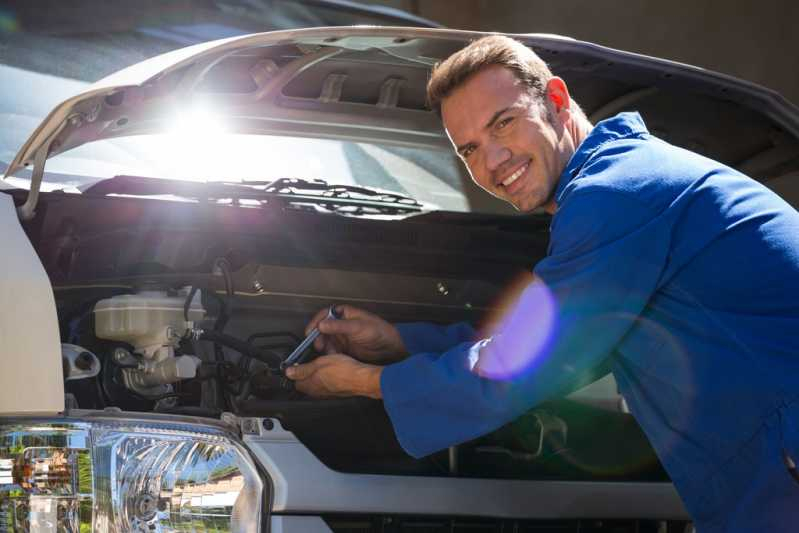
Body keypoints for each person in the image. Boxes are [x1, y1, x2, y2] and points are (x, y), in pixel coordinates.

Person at [285, 35, 799, 531]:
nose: (492, 161)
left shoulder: (618, 194)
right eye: (469, 150)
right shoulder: (629, 180)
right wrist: (398, 343)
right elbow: (546, 344)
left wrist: (362, 383)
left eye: (504, 124)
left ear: (556, 99)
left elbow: (521, 367)